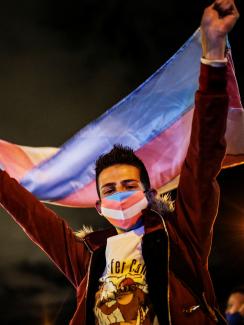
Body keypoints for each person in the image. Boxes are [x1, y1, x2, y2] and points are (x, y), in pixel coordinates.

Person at [0, 0, 240, 324]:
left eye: (128, 185)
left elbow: (204, 156)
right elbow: (28, 211)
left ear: (147, 193)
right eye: (110, 189)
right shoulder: (86, 257)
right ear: (99, 206)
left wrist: (212, 55)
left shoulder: (182, 238)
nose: (120, 195)